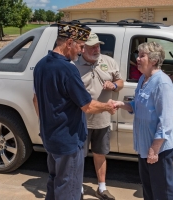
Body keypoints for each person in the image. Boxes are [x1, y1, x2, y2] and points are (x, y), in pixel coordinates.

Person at [33, 22, 117, 200]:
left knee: (54, 183)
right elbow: (87, 106)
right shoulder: (68, 69)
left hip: (51, 138)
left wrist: (45, 125)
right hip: (68, 141)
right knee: (69, 189)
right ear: (69, 42)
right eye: (80, 46)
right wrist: (107, 106)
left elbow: (36, 100)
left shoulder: (41, 65)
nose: (80, 51)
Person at [113, 41, 173, 200]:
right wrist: (122, 104)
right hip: (145, 145)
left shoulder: (162, 83)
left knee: (163, 193)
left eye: (142, 56)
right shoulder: (143, 79)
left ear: (154, 60)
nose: (138, 58)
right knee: (149, 190)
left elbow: (166, 120)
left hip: (159, 149)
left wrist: (154, 149)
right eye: (138, 55)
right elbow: (138, 105)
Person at [74, 32, 124, 200]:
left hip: (102, 119)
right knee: (78, 156)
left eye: (98, 46)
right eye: (92, 46)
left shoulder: (108, 61)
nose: (97, 49)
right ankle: (78, 188)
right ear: (82, 49)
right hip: (80, 120)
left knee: (100, 154)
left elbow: (121, 81)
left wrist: (115, 85)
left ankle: (102, 188)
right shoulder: (73, 66)